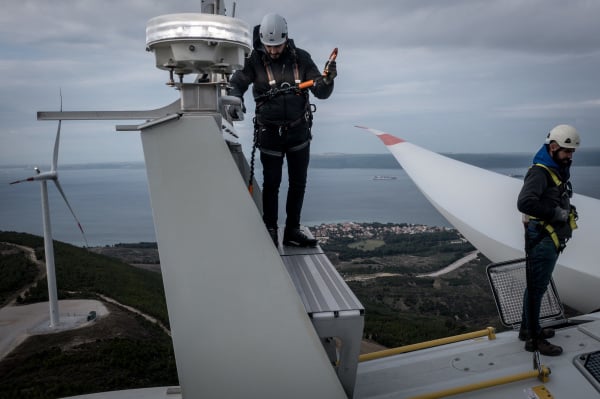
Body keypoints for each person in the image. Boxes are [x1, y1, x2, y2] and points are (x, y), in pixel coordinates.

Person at [228, 13, 336, 247]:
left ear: (286, 39)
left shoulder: (301, 59)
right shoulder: (253, 60)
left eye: (277, 46)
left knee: (298, 182)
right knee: (272, 183)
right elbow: (237, 82)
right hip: (270, 133)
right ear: (262, 41)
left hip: (298, 132)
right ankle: (269, 228)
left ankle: (292, 231)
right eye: (269, 46)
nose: (274, 51)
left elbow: (321, 91)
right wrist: (236, 99)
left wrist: (327, 81)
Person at [517, 124, 580, 356]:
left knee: (536, 287)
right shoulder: (540, 172)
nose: (570, 156)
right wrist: (556, 214)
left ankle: (527, 329)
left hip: (546, 238)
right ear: (553, 147)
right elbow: (525, 202)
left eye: (572, 152)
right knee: (536, 288)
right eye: (566, 151)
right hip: (543, 238)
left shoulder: (554, 170)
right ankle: (533, 339)